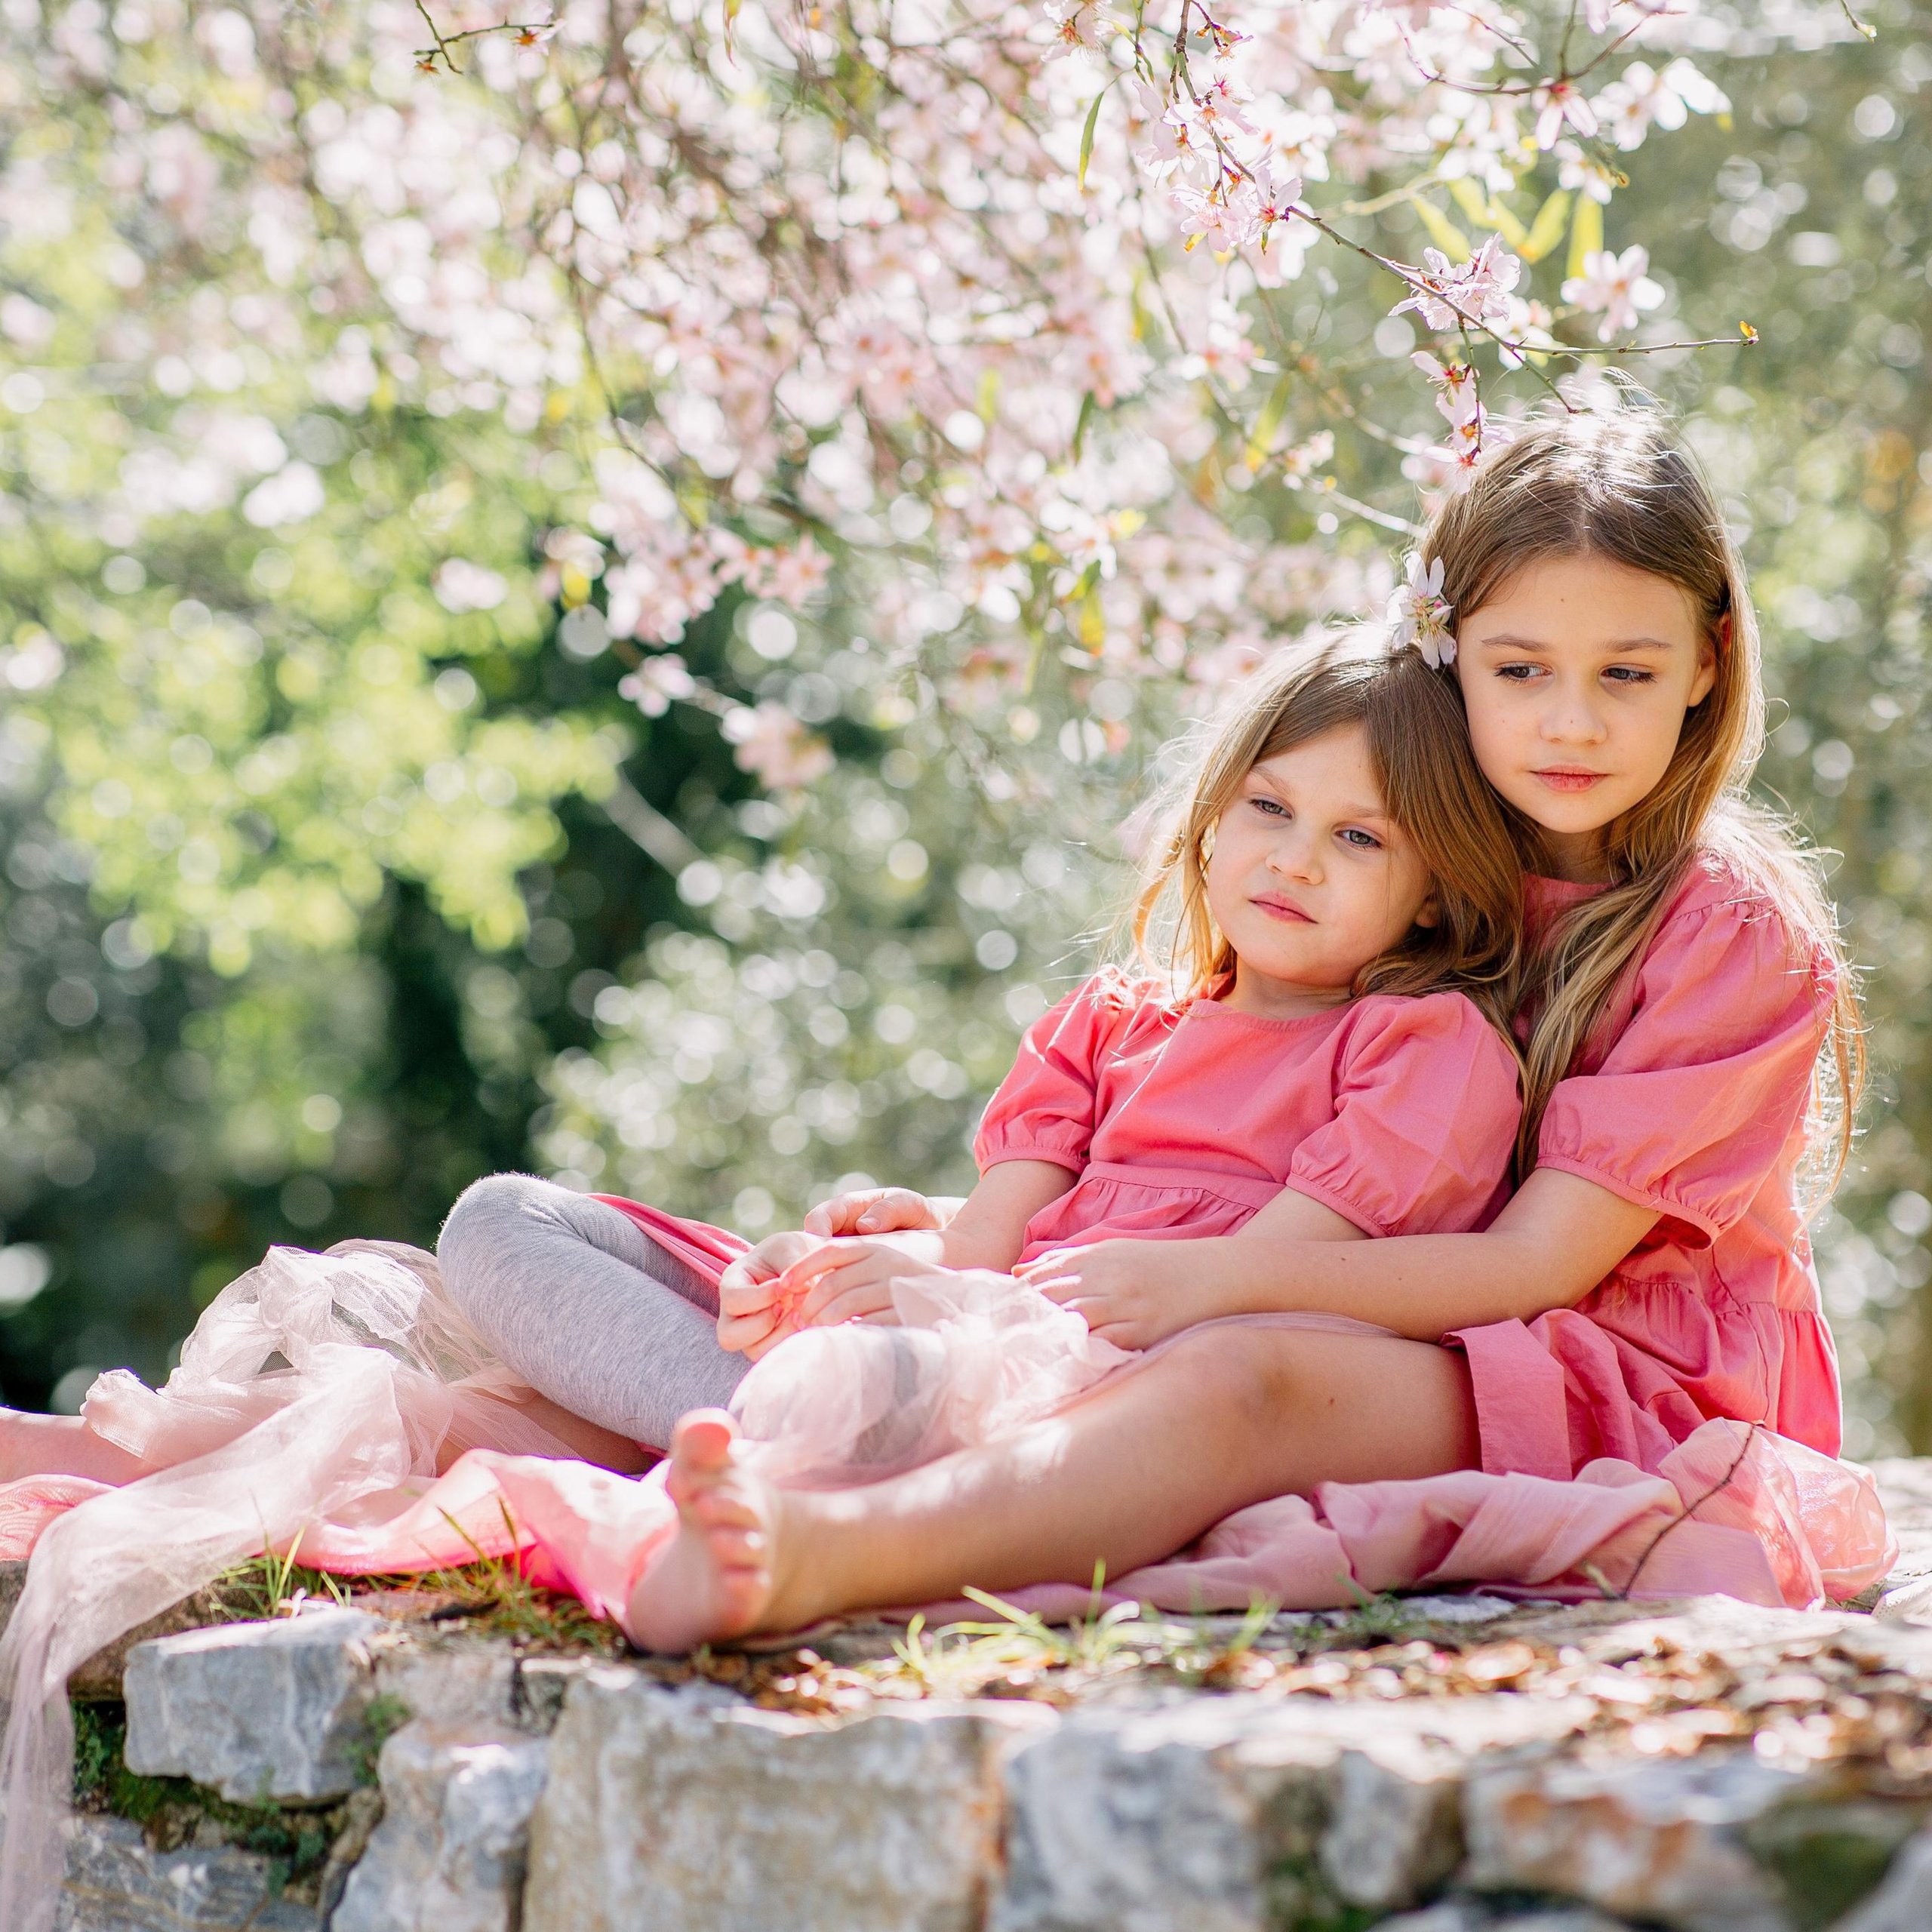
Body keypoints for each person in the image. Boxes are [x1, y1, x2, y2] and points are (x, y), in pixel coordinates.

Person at [623, 397, 1875, 1651]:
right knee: (1081, 1337)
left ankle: (810, 1554)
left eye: (1629, 673)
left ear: (1709, 661)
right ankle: (772, 1438)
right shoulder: (1405, 860)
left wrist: (1217, 1280)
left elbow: (1536, 1267)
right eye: (1520, 669)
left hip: (1620, 1376)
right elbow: (1250, 1172)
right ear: (1450, 657)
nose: (1572, 721)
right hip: (1395, 1311)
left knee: (1239, 1377)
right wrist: (978, 1236)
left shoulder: (1728, 933)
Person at [438, 638, 1527, 1450]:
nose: (1294, 861)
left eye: (1357, 837)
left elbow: (1255, 1281)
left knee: (902, 1371)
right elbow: (994, 1248)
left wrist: (928, 1302)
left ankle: (777, 1429)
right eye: (1269, 808)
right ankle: (759, 1414)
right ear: (1208, 823)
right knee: (500, 1219)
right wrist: (870, 1271)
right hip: (983, 1312)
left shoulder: (1418, 1049)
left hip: (1116, 1371)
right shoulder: (1114, 1022)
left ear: (1434, 894)